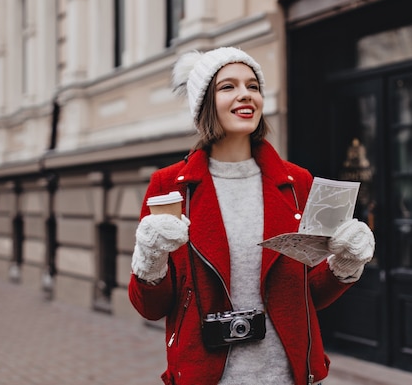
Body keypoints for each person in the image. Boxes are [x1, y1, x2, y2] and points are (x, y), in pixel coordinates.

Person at [128, 47, 375, 385]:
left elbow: (309, 296)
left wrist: (345, 265)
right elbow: (152, 307)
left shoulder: (296, 182)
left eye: (253, 86)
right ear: (204, 104)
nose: (245, 94)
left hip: (287, 376)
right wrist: (150, 256)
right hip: (207, 376)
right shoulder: (170, 185)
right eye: (228, 86)